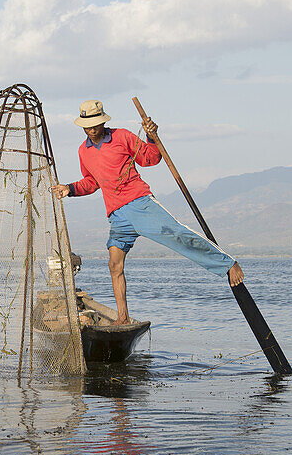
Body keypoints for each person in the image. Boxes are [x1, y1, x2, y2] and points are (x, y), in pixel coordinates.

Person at [52, 100, 244, 325]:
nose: (92, 129)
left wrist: (152, 137)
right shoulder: (83, 151)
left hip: (139, 203)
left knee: (177, 235)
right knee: (114, 265)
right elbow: (91, 182)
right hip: (116, 214)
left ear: (103, 121)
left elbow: (151, 158)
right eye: (87, 125)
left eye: (95, 124)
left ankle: (227, 264)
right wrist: (70, 189)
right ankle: (122, 317)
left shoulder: (122, 137)